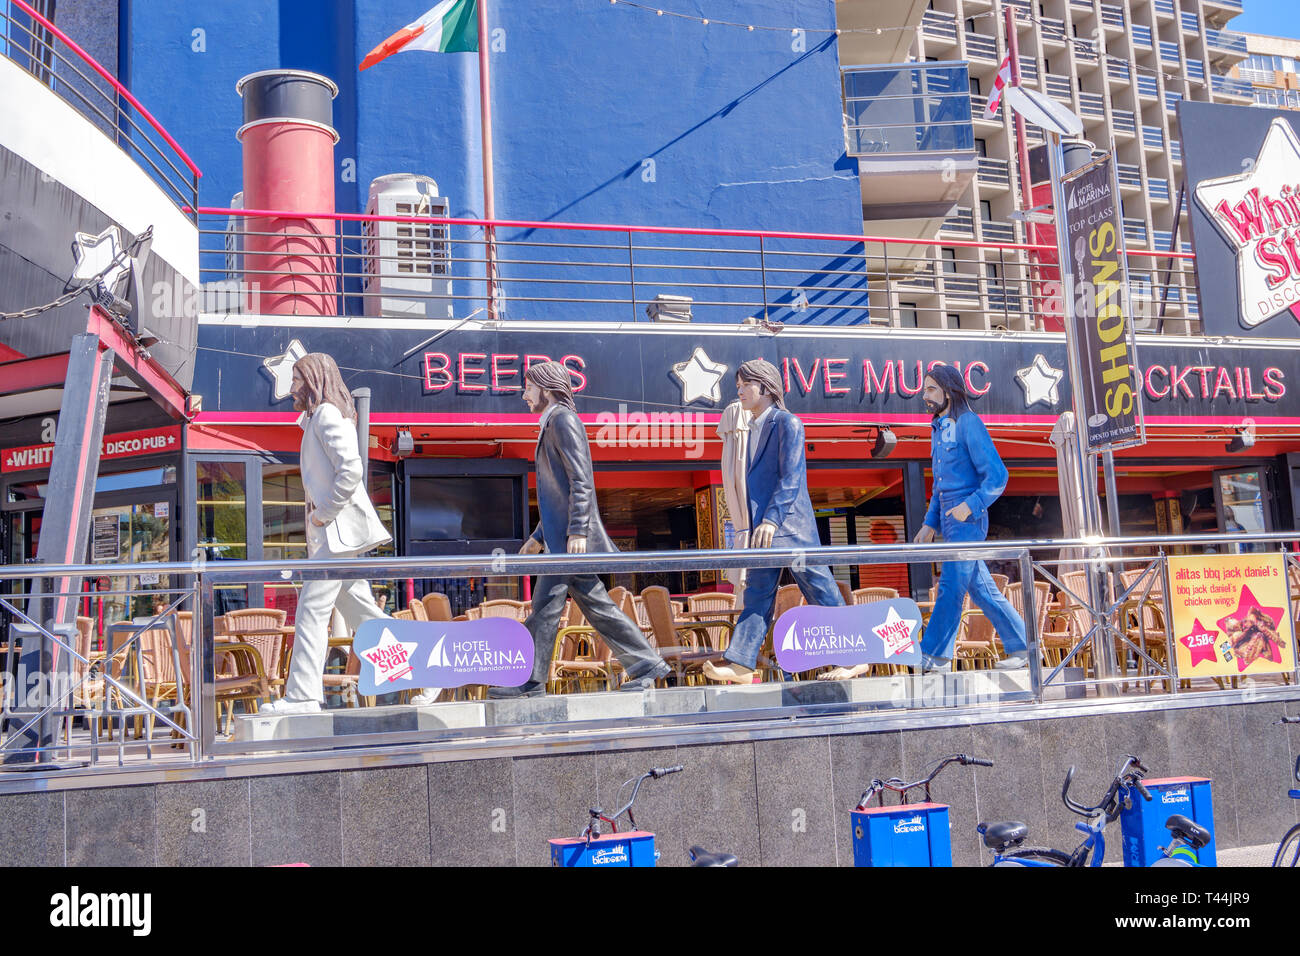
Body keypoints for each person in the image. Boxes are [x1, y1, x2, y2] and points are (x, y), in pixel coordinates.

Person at [489, 361, 671, 698]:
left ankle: (531, 682)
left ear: (546, 389)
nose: (524, 395)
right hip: (560, 542)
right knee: (595, 606)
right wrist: (538, 537)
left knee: (544, 611)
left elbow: (581, 482)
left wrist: (577, 533)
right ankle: (647, 664)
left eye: (528, 388)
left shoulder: (563, 420)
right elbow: (559, 495)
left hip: (570, 544)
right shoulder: (553, 423)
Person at [261, 354, 420, 713]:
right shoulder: (321, 416)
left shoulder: (328, 415)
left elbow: (351, 469)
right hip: (335, 538)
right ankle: (423, 669)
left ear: (315, 380)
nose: (291, 389)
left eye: (298, 380)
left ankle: (302, 697)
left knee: (311, 611)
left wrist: (324, 514)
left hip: (335, 535)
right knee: (365, 614)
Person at [703, 359, 844, 685]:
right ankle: (740, 664)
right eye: (738, 385)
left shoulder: (787, 423)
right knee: (757, 594)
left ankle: (854, 656)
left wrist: (771, 519)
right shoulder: (752, 427)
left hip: (790, 529)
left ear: (766, 387)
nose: (738, 390)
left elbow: (791, 478)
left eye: (745, 384)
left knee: (821, 591)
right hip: (764, 532)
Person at [913, 364, 1028, 672]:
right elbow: (939, 484)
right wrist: (930, 522)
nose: (924, 395)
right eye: (924, 389)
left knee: (951, 584)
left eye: (931, 389)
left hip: (967, 520)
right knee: (981, 588)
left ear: (949, 391)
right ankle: (1022, 645)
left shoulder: (969, 423)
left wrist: (970, 506)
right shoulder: (939, 428)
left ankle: (933, 655)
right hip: (950, 519)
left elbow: (997, 475)